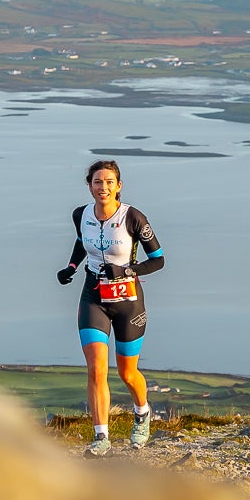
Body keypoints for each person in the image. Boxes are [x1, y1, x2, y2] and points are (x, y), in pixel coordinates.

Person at [57, 158, 164, 457]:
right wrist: (72, 266)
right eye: (97, 182)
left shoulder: (134, 217)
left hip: (128, 301)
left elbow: (158, 259)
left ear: (119, 186)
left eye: (108, 182)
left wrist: (129, 271)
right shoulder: (81, 214)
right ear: (89, 186)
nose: (103, 187)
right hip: (93, 296)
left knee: (128, 373)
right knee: (96, 369)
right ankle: (101, 436)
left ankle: (142, 412)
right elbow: (82, 242)